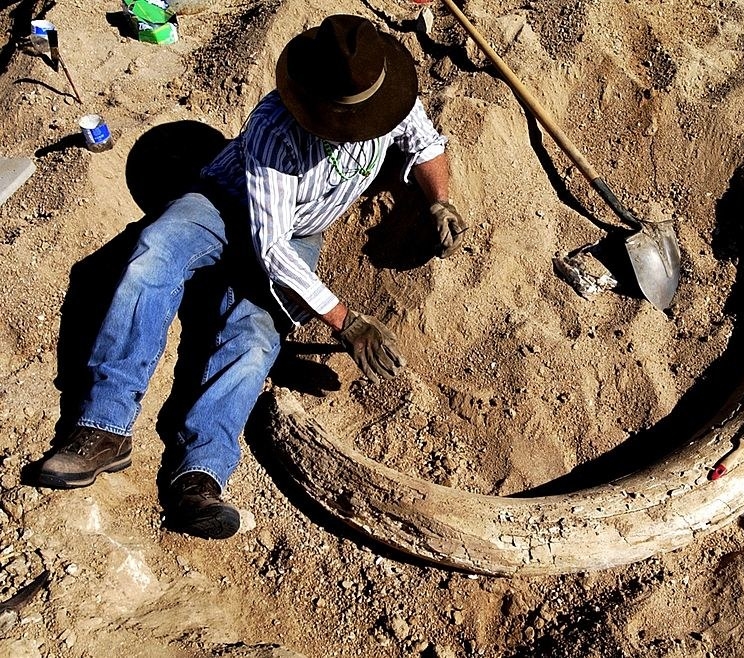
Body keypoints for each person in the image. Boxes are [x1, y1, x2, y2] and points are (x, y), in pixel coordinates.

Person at [36, 15, 467, 539]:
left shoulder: (385, 98)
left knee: (255, 337)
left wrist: (440, 201)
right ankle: (102, 427)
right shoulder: (276, 127)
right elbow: (269, 246)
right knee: (150, 256)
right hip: (221, 205)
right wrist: (345, 320)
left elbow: (426, 143)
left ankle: (199, 474)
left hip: (301, 232)